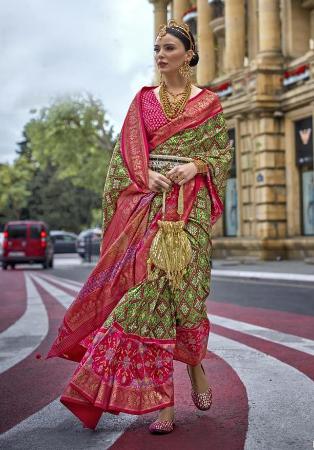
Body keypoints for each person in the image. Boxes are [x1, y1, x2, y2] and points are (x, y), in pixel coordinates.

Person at [47, 19, 233, 435]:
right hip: (149, 210)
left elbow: (221, 156)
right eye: (156, 49)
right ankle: (163, 405)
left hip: (191, 212)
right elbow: (124, 157)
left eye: (169, 48)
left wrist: (196, 165)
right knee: (149, 299)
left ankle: (196, 366)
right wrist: (144, 176)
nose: (161, 55)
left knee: (184, 297)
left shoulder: (209, 103)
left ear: (188, 55)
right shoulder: (143, 100)